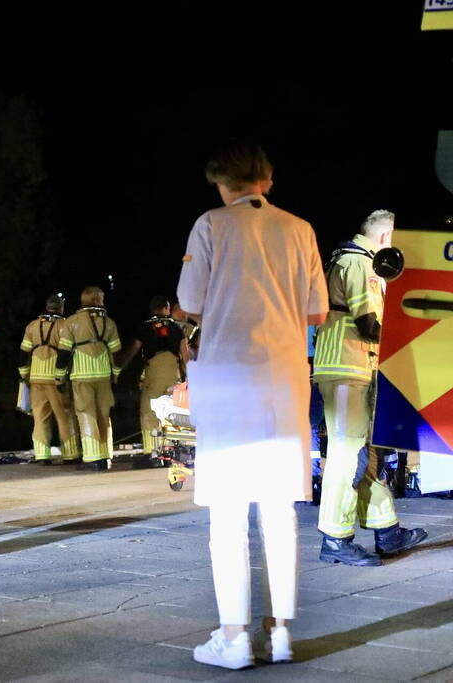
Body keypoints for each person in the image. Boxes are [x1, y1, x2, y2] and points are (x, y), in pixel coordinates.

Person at [177, 141, 328, 669]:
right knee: (279, 509)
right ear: (267, 178)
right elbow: (317, 312)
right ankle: (281, 633)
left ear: (224, 182)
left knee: (228, 512)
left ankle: (234, 638)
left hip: (227, 377)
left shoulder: (211, 225)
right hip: (283, 379)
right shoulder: (300, 229)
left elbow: (190, 303)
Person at [313, 210, 427, 566]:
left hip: (349, 366)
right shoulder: (361, 264)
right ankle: (335, 538)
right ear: (385, 237)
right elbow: (369, 324)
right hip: (346, 366)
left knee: (365, 452)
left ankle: (386, 529)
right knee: (348, 454)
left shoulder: (348, 259)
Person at [54, 286, 121, 471]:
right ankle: (106, 455)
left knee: (86, 414)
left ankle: (92, 458)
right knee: (103, 415)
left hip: (81, 376)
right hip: (104, 376)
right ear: (97, 300)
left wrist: (59, 378)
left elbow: (63, 353)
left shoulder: (71, 322)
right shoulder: (109, 323)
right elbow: (116, 354)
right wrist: (115, 376)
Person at [119, 295, 188, 465]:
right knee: (172, 411)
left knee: (148, 410)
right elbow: (185, 354)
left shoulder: (144, 327)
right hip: (173, 373)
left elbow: (134, 350)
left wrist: (120, 366)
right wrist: (188, 377)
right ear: (167, 309)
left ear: (152, 309)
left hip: (154, 372)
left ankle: (153, 452)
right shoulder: (176, 328)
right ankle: (172, 451)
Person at [18, 294, 80, 464]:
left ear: (47, 307)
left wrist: (24, 375)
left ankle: (42, 455)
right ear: (61, 307)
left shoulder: (32, 326)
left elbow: (23, 353)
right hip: (56, 379)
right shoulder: (65, 325)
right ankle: (70, 455)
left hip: (36, 378)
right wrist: (61, 376)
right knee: (64, 417)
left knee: (39, 418)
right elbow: (67, 353)